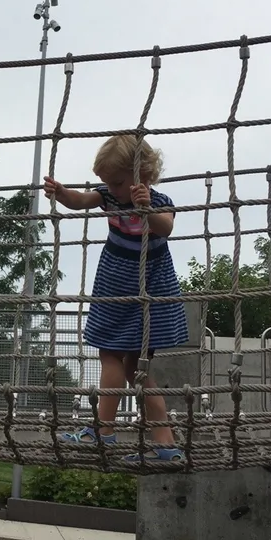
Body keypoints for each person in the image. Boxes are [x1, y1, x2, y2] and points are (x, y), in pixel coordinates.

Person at [42, 134, 188, 462]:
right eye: (107, 182)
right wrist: (62, 193)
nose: (112, 189)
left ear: (144, 176)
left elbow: (165, 227)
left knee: (134, 365)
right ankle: (130, 435)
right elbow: (81, 200)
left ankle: (115, 433)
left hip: (147, 290)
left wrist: (144, 208)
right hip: (114, 284)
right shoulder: (109, 195)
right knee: (115, 357)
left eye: (118, 183)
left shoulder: (159, 201)